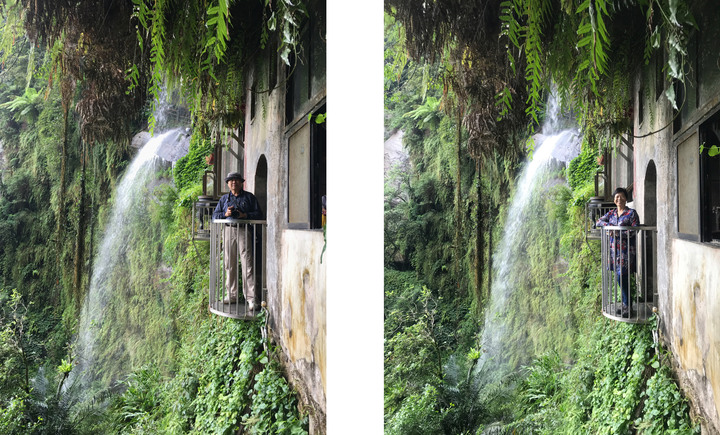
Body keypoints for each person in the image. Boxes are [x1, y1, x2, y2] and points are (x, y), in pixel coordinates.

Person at [212, 172, 263, 311]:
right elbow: (214, 216)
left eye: (236, 180)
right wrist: (225, 214)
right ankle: (231, 295)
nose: (234, 182)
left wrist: (244, 215)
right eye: (231, 181)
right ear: (228, 184)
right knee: (230, 263)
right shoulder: (223, 200)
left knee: (248, 264)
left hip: (244, 230)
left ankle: (251, 299)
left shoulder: (249, 197)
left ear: (241, 183)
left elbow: (259, 214)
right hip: (228, 231)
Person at [596, 187, 640, 318]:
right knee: (620, 277)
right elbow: (599, 222)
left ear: (626, 198)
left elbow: (635, 228)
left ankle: (627, 305)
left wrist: (619, 232)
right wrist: (608, 227)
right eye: (616, 197)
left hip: (626, 252)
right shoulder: (612, 214)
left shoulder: (631, 213)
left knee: (622, 277)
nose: (619, 199)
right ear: (614, 200)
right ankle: (626, 305)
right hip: (614, 252)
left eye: (621, 197)